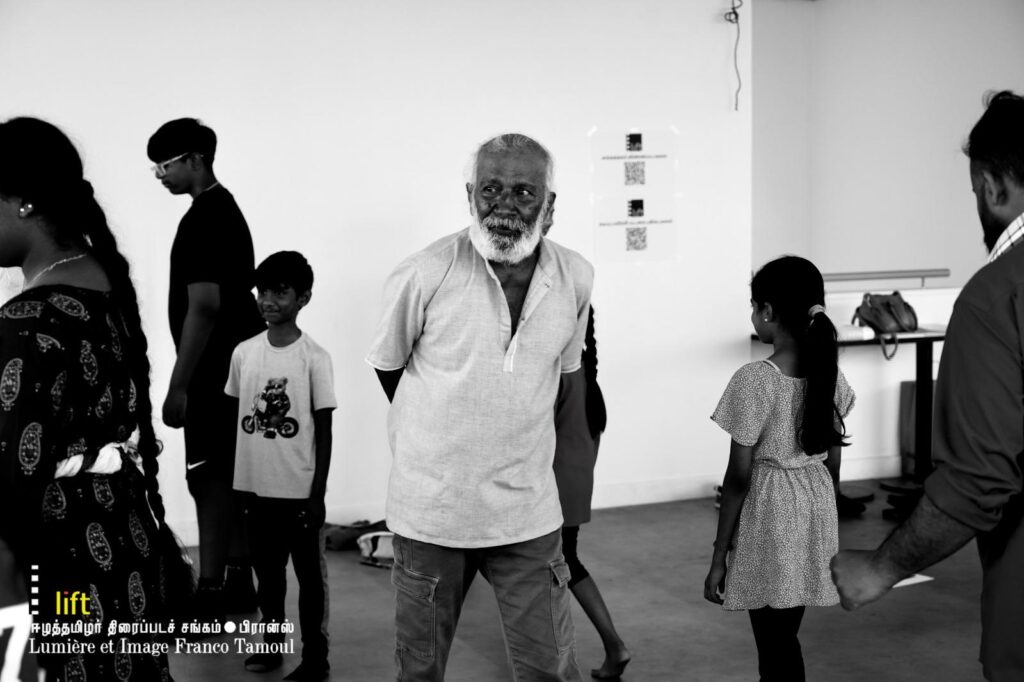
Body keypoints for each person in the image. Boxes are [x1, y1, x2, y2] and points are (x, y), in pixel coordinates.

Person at [366, 133, 591, 681]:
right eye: (491, 189)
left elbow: (561, 378)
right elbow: (389, 367)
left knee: (550, 671)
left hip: (527, 513)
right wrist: (445, 427)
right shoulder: (425, 272)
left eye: (523, 192)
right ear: (470, 195)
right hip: (432, 514)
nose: (504, 206)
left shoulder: (576, 277)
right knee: (420, 672)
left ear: (550, 204)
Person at [830, 91, 1024, 682]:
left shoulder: (997, 297)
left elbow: (978, 480)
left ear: (993, 187)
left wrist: (881, 567)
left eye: (975, 191)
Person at [0, 116, 190, 679]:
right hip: (123, 540)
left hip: (60, 567)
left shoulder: (26, 321)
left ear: (23, 203)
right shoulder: (103, 284)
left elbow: (10, 488)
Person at [704, 256, 854, 682]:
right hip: (814, 511)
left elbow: (738, 478)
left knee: (774, 645)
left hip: (772, 515)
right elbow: (833, 464)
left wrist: (719, 556)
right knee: (783, 636)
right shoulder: (829, 373)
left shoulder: (755, 379)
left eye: (754, 306)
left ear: (767, 310)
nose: (753, 315)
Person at [148, 118, 265, 619]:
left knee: (208, 478)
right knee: (229, 475)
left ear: (195, 159)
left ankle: (212, 593)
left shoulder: (202, 219)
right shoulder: (227, 208)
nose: (159, 176)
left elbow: (204, 306)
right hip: (238, 366)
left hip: (213, 370)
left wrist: (179, 386)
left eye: (165, 165)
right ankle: (238, 582)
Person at [225, 251, 336, 682]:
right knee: (268, 578)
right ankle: (272, 647)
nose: (268, 300)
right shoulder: (244, 353)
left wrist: (317, 494)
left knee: (310, 581)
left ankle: (315, 658)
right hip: (255, 492)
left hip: (299, 494)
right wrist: (238, 485)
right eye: (263, 292)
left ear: (303, 298)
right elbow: (238, 421)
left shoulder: (314, 358)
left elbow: (323, 430)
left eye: (280, 292)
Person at [551, 304, 630, 678]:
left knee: (549, 567)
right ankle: (614, 647)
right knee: (566, 562)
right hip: (575, 489)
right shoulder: (587, 375)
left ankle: (609, 646)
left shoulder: (559, 376)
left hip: (553, 492)